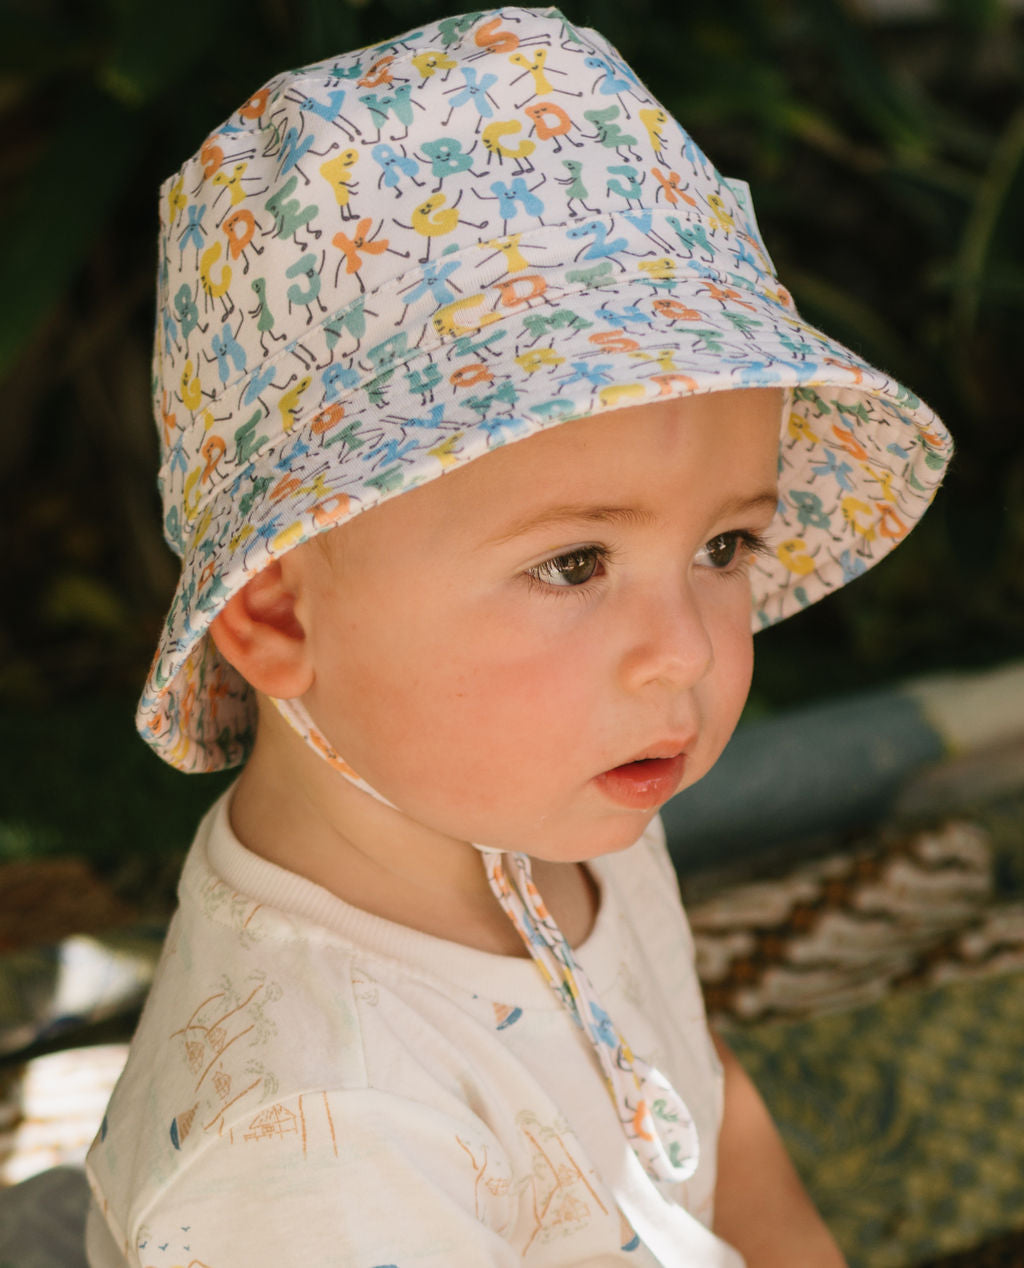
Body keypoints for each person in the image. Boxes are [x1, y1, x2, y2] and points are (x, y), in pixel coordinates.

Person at [84, 7, 952, 1265]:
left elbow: (706, 1114)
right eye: (573, 562)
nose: (688, 653)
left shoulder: (560, 807)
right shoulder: (320, 1145)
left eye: (723, 548)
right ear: (278, 611)